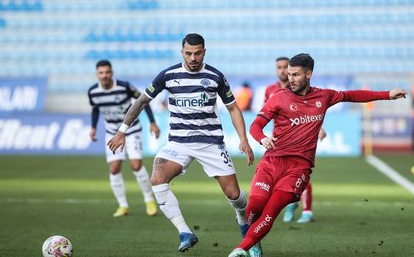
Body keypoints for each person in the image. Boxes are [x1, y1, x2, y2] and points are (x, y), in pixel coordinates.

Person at [228, 53, 407, 257]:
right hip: (272, 161)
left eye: (295, 75)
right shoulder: (278, 97)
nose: (290, 79)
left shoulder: (324, 96)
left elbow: (352, 95)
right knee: (253, 208)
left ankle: (241, 249)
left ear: (309, 74)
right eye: (289, 74)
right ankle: (254, 241)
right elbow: (256, 125)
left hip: (298, 168)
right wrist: (262, 139)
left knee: (271, 210)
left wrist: (387, 94)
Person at [107, 33, 256, 253]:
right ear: (182, 52)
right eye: (188, 53)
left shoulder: (215, 76)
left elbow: (233, 108)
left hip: (210, 143)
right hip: (178, 142)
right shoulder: (168, 75)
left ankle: (243, 220)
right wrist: (122, 131)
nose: (193, 57)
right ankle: (185, 231)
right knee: (157, 178)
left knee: (234, 195)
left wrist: (243, 139)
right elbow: (141, 101)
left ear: (204, 51)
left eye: (197, 53)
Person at [88, 59, 160, 218]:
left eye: (107, 72)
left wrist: (153, 123)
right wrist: (93, 127)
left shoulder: (125, 86)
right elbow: (95, 109)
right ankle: (123, 205)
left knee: (136, 165)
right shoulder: (93, 92)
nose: (105, 75)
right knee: (114, 168)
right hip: (112, 132)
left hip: (132, 129)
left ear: (111, 73)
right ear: (97, 74)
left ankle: (149, 200)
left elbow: (144, 102)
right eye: (101, 73)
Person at [266, 56, 325, 224]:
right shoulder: (271, 90)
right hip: (280, 139)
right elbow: (268, 112)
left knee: (301, 173)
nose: (283, 71)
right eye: (279, 67)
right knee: (278, 178)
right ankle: (291, 203)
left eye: (286, 67)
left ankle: (307, 210)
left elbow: (310, 113)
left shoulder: (302, 89)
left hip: (300, 137)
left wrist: (319, 128)